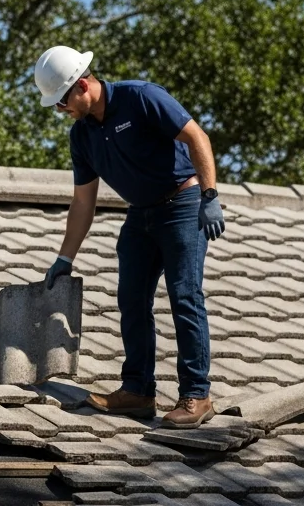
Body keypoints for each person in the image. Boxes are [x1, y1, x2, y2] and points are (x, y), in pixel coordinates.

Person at [34, 46, 224, 429]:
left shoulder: (141, 97)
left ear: (82, 86)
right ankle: (138, 391)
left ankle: (197, 395)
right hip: (141, 214)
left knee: (184, 294)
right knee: (131, 298)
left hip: (183, 203)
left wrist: (209, 195)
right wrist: (65, 258)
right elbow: (82, 203)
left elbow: (196, 137)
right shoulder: (82, 137)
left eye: (62, 102)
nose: (61, 110)